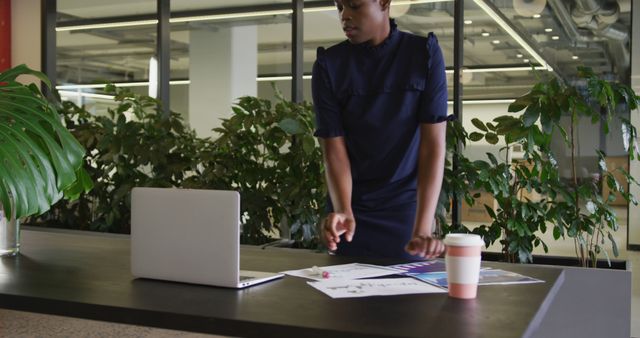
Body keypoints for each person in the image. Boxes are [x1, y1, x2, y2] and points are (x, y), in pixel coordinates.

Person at [312, 0, 451, 260]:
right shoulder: (329, 65)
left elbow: (433, 146)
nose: (345, 16)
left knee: (410, 299)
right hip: (352, 212)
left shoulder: (423, 55)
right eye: (339, 7)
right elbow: (333, 149)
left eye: (354, 6)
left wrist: (422, 228)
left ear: (384, 3)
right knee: (346, 298)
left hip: (406, 212)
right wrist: (343, 210)